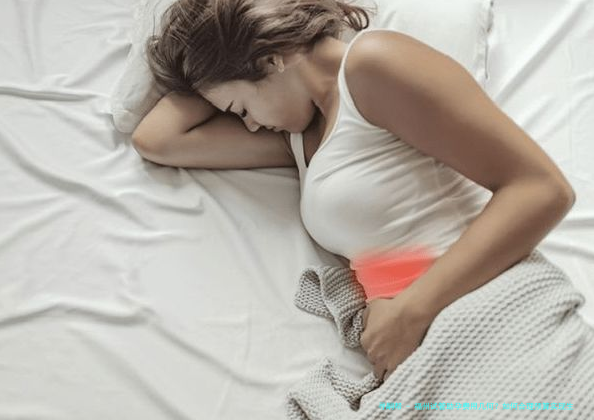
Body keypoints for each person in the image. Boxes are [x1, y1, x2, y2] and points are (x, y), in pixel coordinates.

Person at [132, 0, 576, 382]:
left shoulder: (373, 64)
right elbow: (157, 140)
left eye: (239, 108)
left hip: (493, 311)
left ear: (268, 62)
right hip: (420, 349)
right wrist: (211, 63)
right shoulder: (298, 139)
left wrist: (411, 311)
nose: (248, 124)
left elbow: (542, 189)